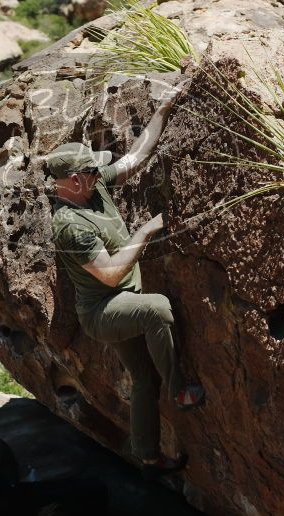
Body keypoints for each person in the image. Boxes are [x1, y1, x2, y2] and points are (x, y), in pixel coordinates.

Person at [49, 80, 205, 479]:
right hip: (104, 312)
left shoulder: (91, 185)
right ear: (75, 180)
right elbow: (111, 272)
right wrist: (145, 232)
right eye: (89, 169)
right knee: (159, 310)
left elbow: (136, 157)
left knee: (142, 379)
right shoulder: (69, 224)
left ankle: (148, 456)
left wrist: (164, 110)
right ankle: (179, 389)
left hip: (122, 301)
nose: (96, 171)